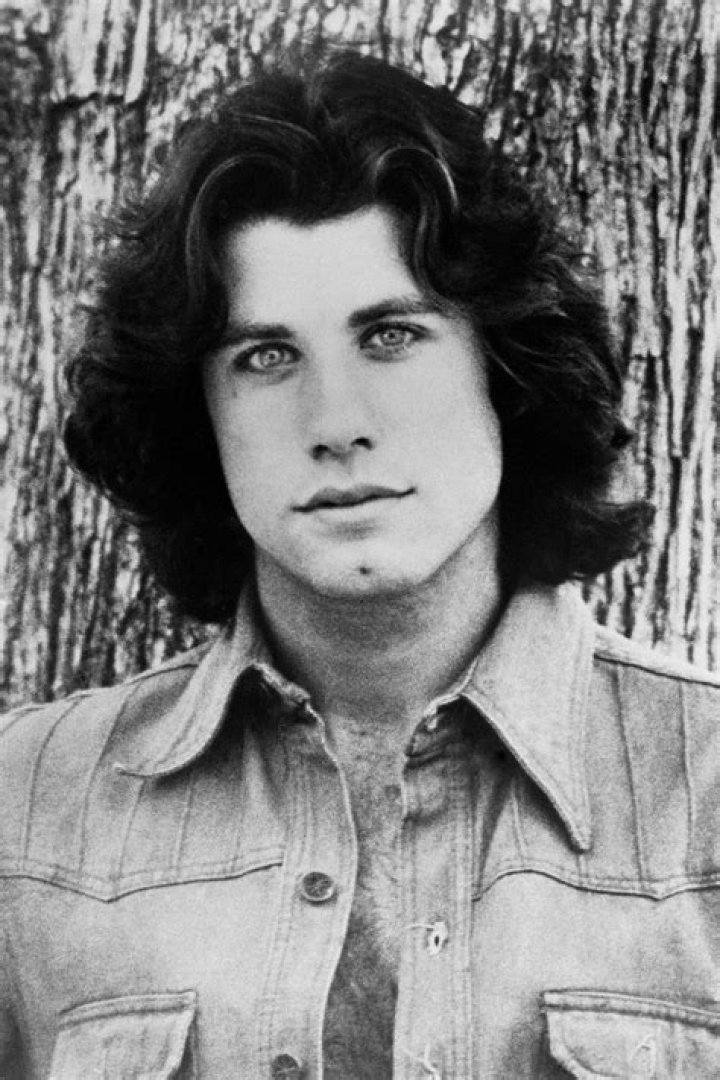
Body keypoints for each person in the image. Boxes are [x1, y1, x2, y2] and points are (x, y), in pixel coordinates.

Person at [1, 50, 719, 1080]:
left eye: (389, 335)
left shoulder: (706, 789)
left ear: (505, 371)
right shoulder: (24, 812)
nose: (336, 422)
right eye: (266, 357)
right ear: (198, 417)